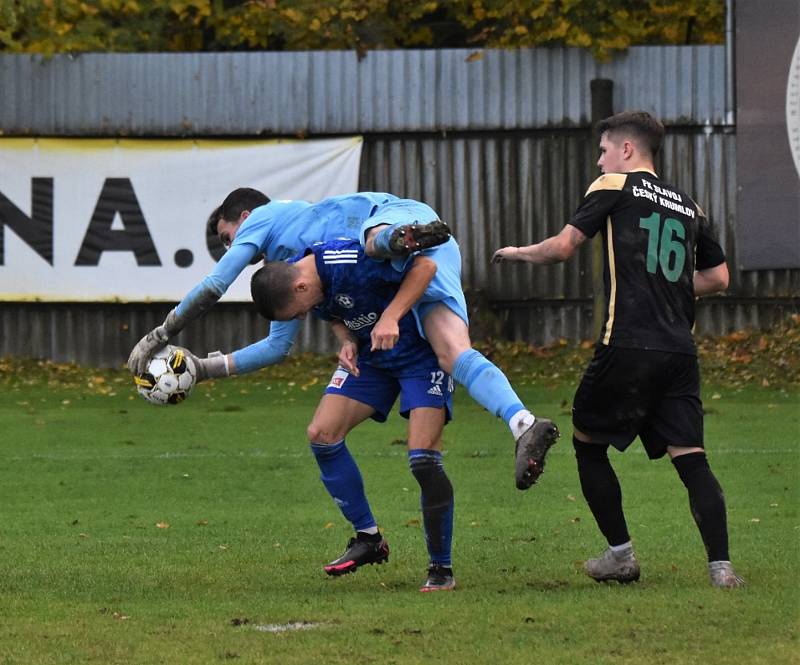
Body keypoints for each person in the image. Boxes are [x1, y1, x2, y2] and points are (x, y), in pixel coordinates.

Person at [128, 188, 559, 489]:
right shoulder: (291, 269)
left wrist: (162, 333)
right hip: (428, 257)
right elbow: (278, 346)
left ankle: (397, 240)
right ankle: (522, 424)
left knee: (370, 243)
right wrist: (203, 369)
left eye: (228, 238)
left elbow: (217, 283)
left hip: (400, 220)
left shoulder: (264, 219)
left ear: (245, 218)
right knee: (452, 353)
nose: (232, 249)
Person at [492, 110, 743, 588]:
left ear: (626, 150)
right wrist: (668, 285)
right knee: (691, 458)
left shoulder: (612, 185)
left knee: (587, 444)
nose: (600, 158)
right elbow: (719, 277)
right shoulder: (689, 205)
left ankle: (621, 556)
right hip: (679, 351)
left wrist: (518, 252)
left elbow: (565, 247)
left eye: (604, 149)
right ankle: (722, 570)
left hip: (626, 343)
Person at [252, 237, 457, 591]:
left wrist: (392, 316)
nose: (303, 316)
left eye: (298, 311)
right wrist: (346, 340)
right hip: (371, 358)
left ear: (300, 286)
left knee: (423, 460)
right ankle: (369, 538)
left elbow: (425, 267)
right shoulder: (306, 277)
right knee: (322, 433)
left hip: (421, 354)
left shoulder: (351, 259)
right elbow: (332, 313)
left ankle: (441, 567)